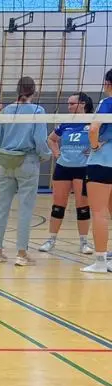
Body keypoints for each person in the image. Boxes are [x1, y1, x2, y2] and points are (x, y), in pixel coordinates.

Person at [0, 76, 51, 267]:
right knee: (25, 208)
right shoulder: (38, 111)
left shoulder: (6, 111)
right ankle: (21, 254)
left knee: (1, 207)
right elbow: (40, 140)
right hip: (27, 161)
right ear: (34, 91)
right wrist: (46, 155)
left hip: (5, 162)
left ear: (17, 91)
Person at [40, 93, 94, 256]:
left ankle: (84, 242)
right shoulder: (65, 122)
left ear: (82, 104)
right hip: (63, 167)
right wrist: (57, 154)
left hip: (83, 168)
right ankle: (51, 240)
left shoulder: (93, 121)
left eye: (72, 103)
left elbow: (103, 140)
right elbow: (51, 139)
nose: (69, 106)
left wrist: (94, 150)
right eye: (68, 103)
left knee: (82, 206)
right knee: (58, 206)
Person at [82, 68, 112, 274]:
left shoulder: (107, 102)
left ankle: (100, 261)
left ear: (108, 84)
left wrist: (94, 146)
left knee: (99, 212)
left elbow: (94, 129)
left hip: (102, 162)